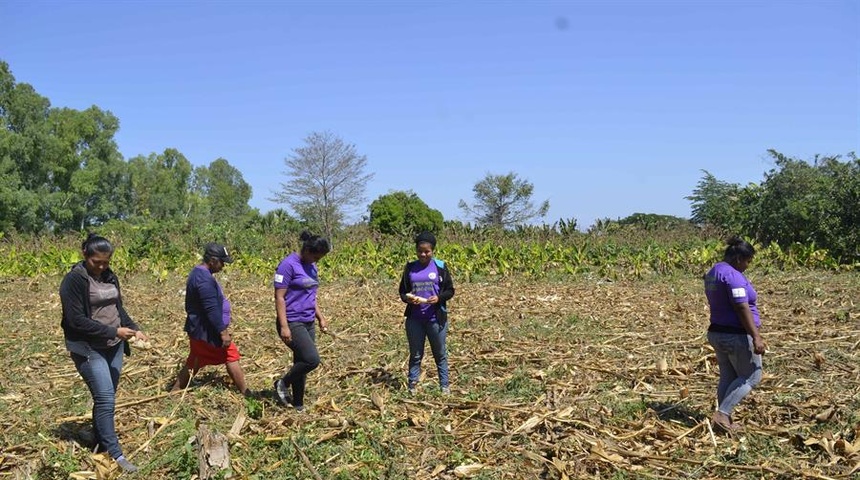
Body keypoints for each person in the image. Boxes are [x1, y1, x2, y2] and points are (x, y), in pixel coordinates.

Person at [60, 234, 149, 473]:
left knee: (105, 398)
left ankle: (99, 441)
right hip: (88, 347)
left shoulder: (110, 276)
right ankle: (116, 454)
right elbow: (75, 320)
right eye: (96, 262)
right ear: (85, 255)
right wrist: (113, 330)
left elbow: (118, 308)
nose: (101, 266)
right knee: (106, 398)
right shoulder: (74, 280)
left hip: (114, 345)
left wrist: (135, 328)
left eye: (105, 262)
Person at [704, 236, 765, 431]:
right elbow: (741, 307)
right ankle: (722, 414)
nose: (747, 266)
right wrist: (756, 336)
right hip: (736, 335)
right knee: (751, 376)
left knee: (728, 377)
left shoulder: (714, 272)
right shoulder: (733, 276)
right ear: (739, 258)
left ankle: (724, 422)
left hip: (717, 332)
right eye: (748, 261)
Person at [172, 243, 248, 395]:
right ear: (212, 260)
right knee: (231, 355)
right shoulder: (204, 280)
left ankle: (175, 390)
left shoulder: (198, 273)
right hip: (206, 330)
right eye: (222, 262)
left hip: (198, 328)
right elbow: (211, 310)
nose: (223, 266)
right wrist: (223, 331)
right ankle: (246, 393)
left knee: (195, 360)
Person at [273, 231, 331, 411]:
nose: (316, 261)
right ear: (306, 250)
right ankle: (282, 382)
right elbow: (279, 297)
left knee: (301, 361)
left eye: (319, 258)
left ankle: (298, 403)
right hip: (292, 321)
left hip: (308, 321)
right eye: (315, 256)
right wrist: (284, 326)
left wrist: (320, 317)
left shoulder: (312, 267)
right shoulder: (287, 265)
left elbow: (310, 296)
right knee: (311, 360)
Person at [398, 231, 455, 395]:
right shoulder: (410, 267)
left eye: (427, 251)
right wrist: (408, 299)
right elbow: (402, 291)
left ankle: (444, 387)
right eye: (420, 251)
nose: (423, 254)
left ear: (432, 251)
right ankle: (412, 387)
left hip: (435, 318)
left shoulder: (440, 267)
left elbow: (450, 291)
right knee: (415, 354)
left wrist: (439, 298)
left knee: (440, 354)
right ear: (416, 250)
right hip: (415, 319)